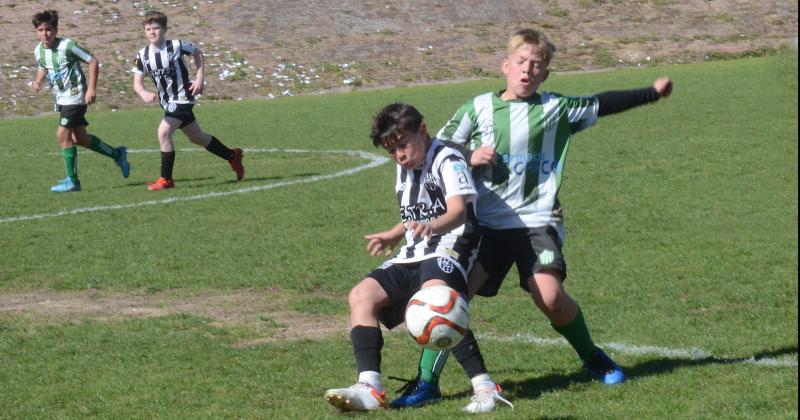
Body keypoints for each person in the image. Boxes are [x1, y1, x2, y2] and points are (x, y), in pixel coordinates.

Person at [391, 28, 674, 413]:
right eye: (521, 62)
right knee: (449, 299)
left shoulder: (555, 109)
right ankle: (427, 383)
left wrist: (650, 93)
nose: (527, 70)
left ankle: (592, 356)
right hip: (484, 226)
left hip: (536, 223)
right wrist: (470, 154)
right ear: (505, 66)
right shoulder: (477, 108)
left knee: (551, 298)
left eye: (536, 65)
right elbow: (439, 146)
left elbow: (599, 103)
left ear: (544, 75)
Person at [323, 103, 484, 412]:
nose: (399, 154)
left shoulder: (448, 159)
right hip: (415, 249)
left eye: (402, 144)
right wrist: (397, 232)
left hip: (452, 243)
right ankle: (370, 387)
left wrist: (431, 227)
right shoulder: (405, 165)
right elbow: (419, 209)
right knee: (361, 296)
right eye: (391, 150)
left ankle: (484, 385)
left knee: (439, 302)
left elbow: (457, 211)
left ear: (422, 129)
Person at [132, 10, 244, 191]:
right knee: (197, 137)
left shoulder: (176, 45)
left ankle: (166, 180)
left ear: (165, 29)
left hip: (183, 98)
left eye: (156, 28)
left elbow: (198, 54)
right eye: (148, 29)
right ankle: (232, 156)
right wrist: (143, 93)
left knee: (163, 133)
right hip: (168, 103)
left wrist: (199, 79)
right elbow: (137, 83)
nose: (152, 32)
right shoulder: (142, 55)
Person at [31, 10, 130, 193]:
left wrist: (91, 89)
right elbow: (43, 68)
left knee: (62, 135)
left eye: (49, 29)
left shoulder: (68, 46)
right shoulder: (38, 50)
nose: (45, 34)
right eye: (40, 30)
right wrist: (38, 81)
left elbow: (92, 61)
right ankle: (117, 154)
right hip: (61, 99)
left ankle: (73, 181)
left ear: (56, 29)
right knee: (80, 138)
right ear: (36, 31)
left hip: (75, 96)